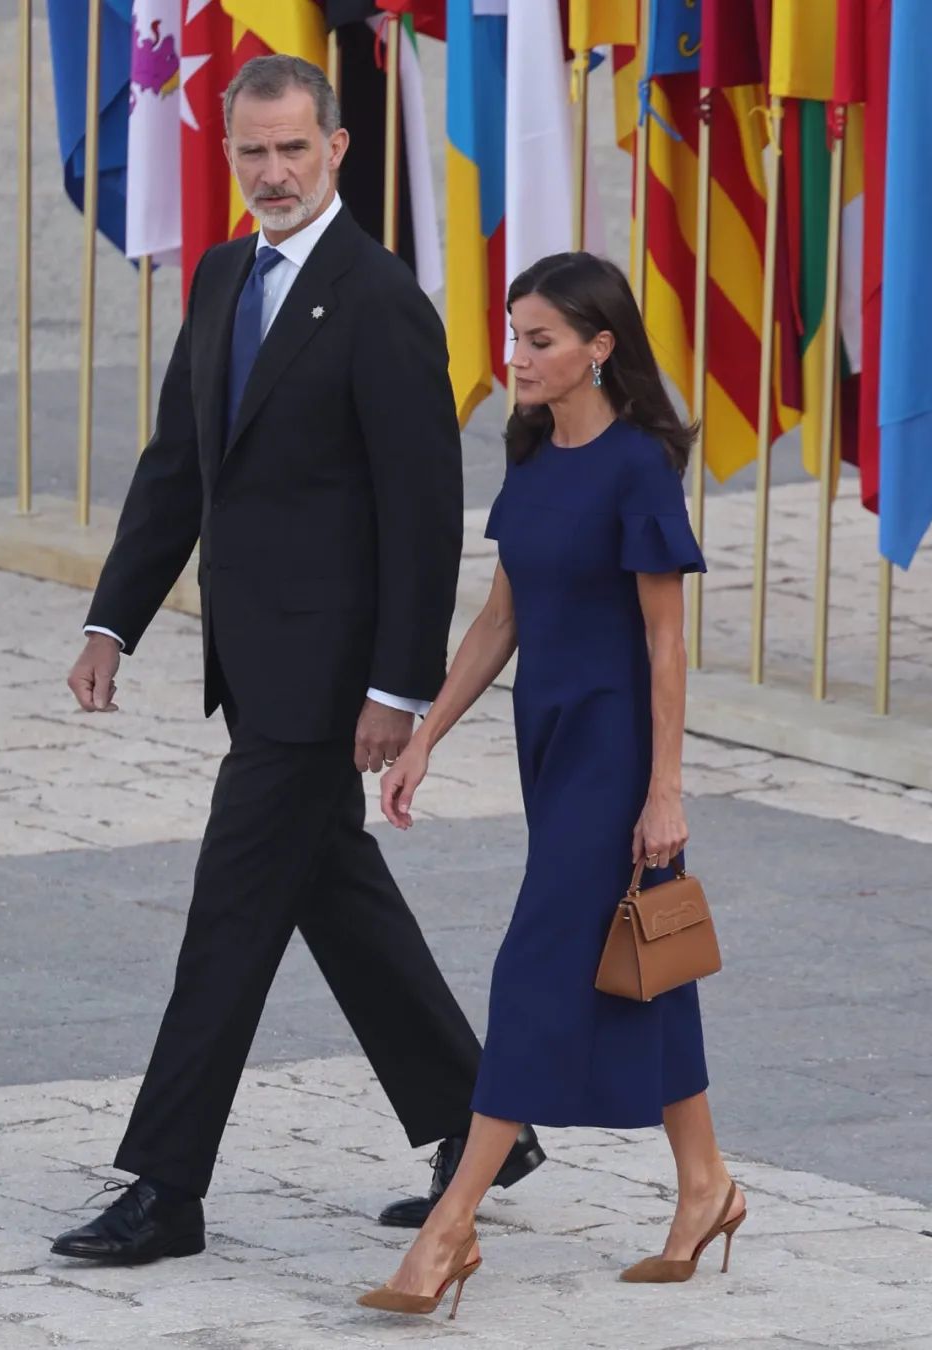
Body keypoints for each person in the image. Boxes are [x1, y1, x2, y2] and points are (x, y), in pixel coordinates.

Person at [52, 54, 544, 1267]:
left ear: (335, 149)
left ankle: (165, 1187)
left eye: (292, 150)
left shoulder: (381, 301)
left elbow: (423, 513)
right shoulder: (223, 273)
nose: (271, 173)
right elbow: (182, 462)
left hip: (326, 682)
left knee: (231, 916)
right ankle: (484, 1119)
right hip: (252, 661)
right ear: (231, 157)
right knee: (333, 889)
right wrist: (113, 617)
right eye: (251, 153)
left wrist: (396, 689)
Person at [357, 252, 746, 1319]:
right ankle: (705, 1185)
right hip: (552, 743)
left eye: (540, 341)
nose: (517, 357)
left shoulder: (636, 468)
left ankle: (449, 1231)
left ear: (599, 348)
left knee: (535, 971)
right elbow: (501, 618)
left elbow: (667, 648)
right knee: (646, 955)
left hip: (617, 753)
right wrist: (428, 736)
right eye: (515, 336)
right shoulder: (532, 455)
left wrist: (665, 793)